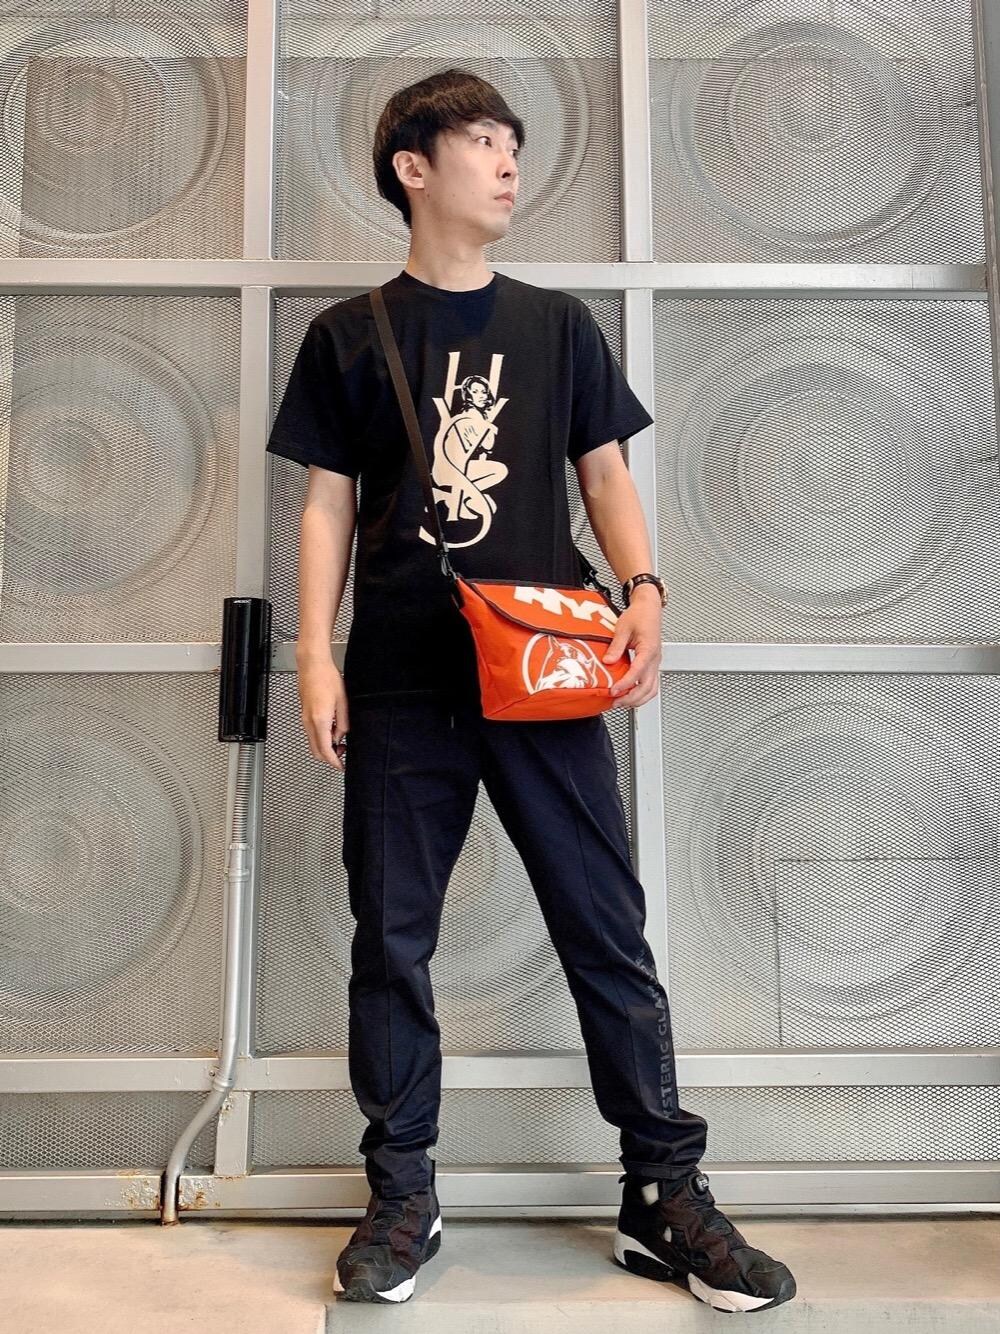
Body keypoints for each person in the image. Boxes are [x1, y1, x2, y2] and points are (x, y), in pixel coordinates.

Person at [266, 66, 796, 1314]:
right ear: (413, 167)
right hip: (402, 683)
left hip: (547, 674)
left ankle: (662, 1192)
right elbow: (328, 503)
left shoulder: (558, 325)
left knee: (605, 927)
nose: (508, 162)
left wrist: (645, 588)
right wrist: (315, 653)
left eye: (513, 143)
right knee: (392, 939)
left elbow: (602, 473)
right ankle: (402, 1190)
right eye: (482, 141)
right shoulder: (349, 333)